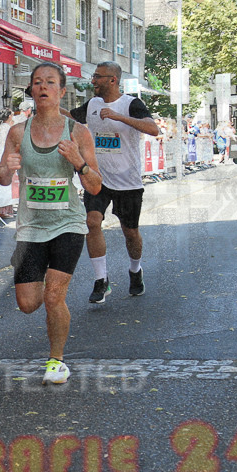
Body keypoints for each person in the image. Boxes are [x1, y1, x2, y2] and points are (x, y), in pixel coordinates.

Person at [0, 62, 102, 385]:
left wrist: (79, 163)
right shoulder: (18, 132)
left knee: (55, 296)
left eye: (50, 82)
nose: (43, 88)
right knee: (28, 303)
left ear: (62, 91)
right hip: (31, 227)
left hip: (68, 224)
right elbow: (1, 177)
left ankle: (56, 361)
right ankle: (47, 291)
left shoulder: (78, 133)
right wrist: (8, 168)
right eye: (37, 83)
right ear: (31, 90)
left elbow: (96, 185)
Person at [69, 61, 159, 304]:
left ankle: (135, 270)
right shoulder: (93, 105)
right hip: (98, 178)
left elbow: (153, 129)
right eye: (94, 76)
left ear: (113, 80)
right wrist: (47, 103)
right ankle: (101, 280)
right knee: (92, 222)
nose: (93, 81)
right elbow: (70, 116)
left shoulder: (131, 104)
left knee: (130, 233)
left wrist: (120, 117)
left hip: (128, 181)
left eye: (98, 77)